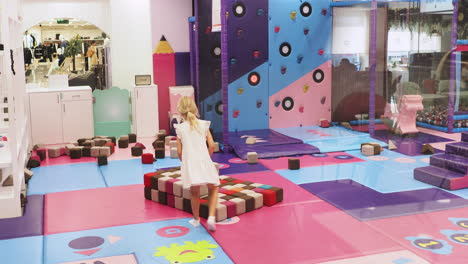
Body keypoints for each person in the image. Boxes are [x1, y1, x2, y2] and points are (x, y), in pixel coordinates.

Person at [175, 96, 220, 231]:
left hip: (190, 163)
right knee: (214, 187)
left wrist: (185, 162)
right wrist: (207, 157)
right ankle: (211, 217)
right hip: (204, 160)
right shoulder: (203, 124)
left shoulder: (180, 128)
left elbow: (179, 151)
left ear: (180, 112)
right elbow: (211, 145)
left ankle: (196, 220)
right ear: (195, 109)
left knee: (195, 193)